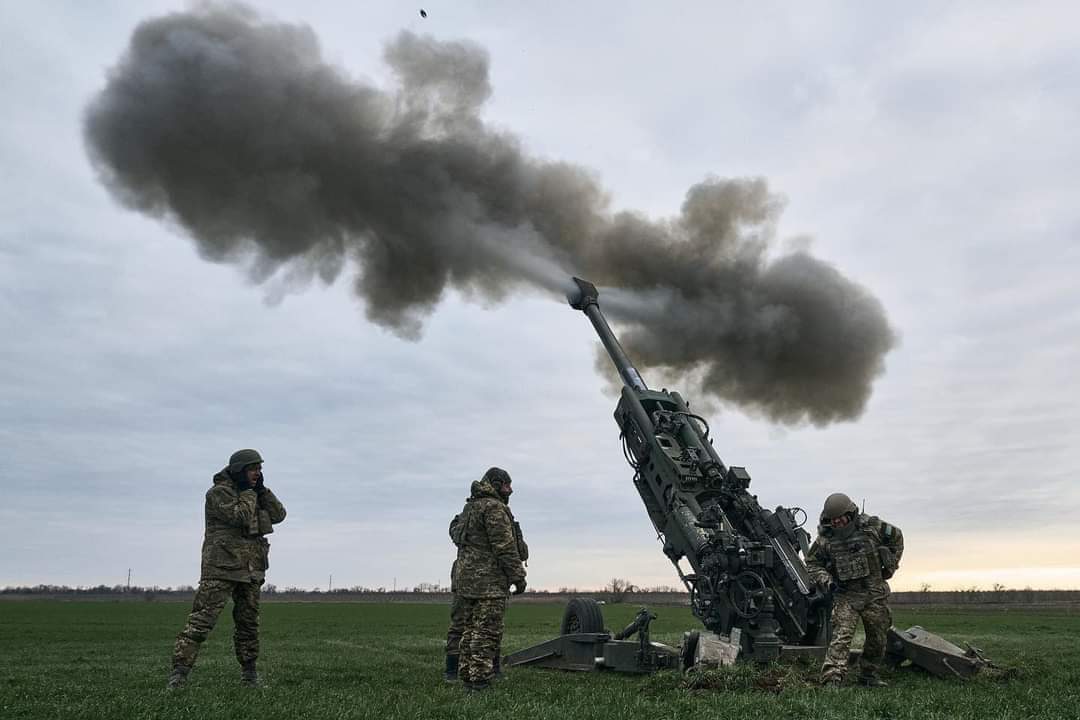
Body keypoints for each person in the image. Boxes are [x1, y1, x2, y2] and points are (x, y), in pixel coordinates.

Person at [167, 449, 287, 689]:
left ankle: (250, 676)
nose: (258, 473)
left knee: (248, 625)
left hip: (251, 569)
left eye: (260, 469)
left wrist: (262, 491)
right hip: (220, 567)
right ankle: (178, 675)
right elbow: (241, 516)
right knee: (201, 622)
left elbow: (279, 514)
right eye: (253, 468)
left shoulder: (254, 493)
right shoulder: (218, 494)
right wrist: (247, 492)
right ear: (239, 470)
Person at [806, 492, 903, 688]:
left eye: (841, 518)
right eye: (833, 520)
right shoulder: (825, 539)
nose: (838, 523)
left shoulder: (873, 527)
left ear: (850, 514)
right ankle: (832, 678)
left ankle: (868, 675)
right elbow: (812, 563)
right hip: (846, 594)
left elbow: (897, 537)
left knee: (878, 637)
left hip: (874, 593)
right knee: (841, 636)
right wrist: (827, 581)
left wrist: (891, 564)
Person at [450, 467, 527, 691]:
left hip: (467, 583)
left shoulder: (470, 507)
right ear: (495, 484)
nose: (510, 489)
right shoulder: (494, 508)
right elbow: (504, 547)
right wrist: (518, 577)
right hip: (488, 584)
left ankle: (467, 677)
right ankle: (480, 681)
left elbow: (457, 535)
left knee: (470, 630)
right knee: (486, 632)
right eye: (506, 485)